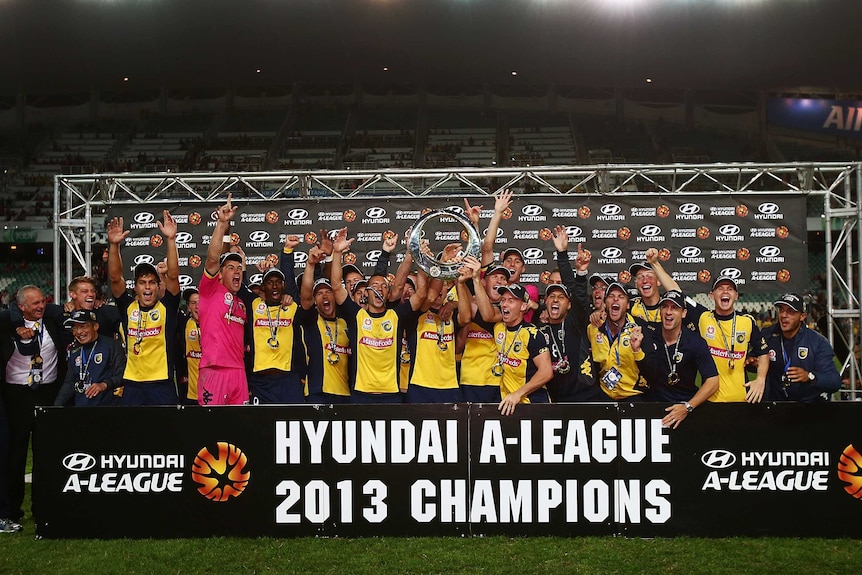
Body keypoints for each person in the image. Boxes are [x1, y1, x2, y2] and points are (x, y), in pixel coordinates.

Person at [645, 249, 769, 404]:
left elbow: (764, 352)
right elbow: (676, 292)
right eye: (720, 289)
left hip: (742, 399)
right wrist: (655, 263)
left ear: (736, 296)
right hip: (709, 400)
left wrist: (761, 379)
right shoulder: (703, 317)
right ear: (712, 295)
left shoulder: (747, 321)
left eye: (730, 289)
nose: (725, 292)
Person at [330, 228, 427, 403]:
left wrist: (417, 255)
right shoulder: (356, 315)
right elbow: (336, 286)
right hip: (361, 394)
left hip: (392, 395)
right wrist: (337, 252)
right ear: (366, 293)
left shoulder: (396, 316)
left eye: (383, 286)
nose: (379, 289)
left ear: (389, 293)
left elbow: (420, 295)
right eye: (374, 285)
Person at [1, 285, 65, 525]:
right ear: (21, 307)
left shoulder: (52, 319)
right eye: (35, 303)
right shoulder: (7, 325)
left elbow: (65, 309)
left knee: (46, 454)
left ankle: (45, 509)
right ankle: (10, 511)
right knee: (15, 456)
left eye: (42, 301)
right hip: (16, 396)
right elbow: (5, 312)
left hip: (47, 393)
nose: (41, 306)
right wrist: (18, 324)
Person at [107, 211, 180, 405]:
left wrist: (171, 240)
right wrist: (114, 245)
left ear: (158, 286)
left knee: (166, 435)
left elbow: (172, 276)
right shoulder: (127, 307)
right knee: (133, 435)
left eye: (151, 282)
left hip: (162, 384)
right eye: (142, 282)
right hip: (132, 384)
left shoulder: (167, 308)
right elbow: (115, 278)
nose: (147, 287)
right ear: (135, 287)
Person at [635, 290, 719, 428]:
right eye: (665, 307)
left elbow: (713, 381)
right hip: (652, 407)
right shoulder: (649, 333)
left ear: (684, 313)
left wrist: (687, 407)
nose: (668, 312)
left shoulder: (694, 341)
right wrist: (599, 313)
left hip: (684, 408)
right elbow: (621, 316)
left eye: (674, 308)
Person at [197, 193, 248, 405]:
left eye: (239, 268)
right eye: (230, 268)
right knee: (210, 430)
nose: (236, 271)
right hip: (213, 370)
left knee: (240, 431)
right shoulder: (210, 290)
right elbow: (212, 258)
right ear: (220, 274)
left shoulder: (242, 301)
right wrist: (221, 224)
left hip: (238, 372)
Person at [543, 225, 604, 402]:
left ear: (569, 305)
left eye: (561, 297)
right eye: (551, 296)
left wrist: (567, 259)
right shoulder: (539, 331)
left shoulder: (575, 322)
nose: (555, 300)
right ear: (545, 301)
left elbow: (577, 295)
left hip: (587, 398)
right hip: (556, 401)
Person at [486, 283, 553, 415]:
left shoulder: (532, 334)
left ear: (523, 306)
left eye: (511, 301)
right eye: (503, 300)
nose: (505, 304)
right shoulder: (498, 328)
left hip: (533, 404)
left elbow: (546, 372)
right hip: (509, 404)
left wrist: (517, 394)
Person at [763, 293, 842, 403]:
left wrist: (809, 376)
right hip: (776, 409)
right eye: (781, 310)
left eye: (790, 311)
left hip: (809, 409)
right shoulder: (767, 335)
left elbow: (834, 382)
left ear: (802, 316)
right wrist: (753, 362)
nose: (783, 315)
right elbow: (753, 360)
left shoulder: (817, 342)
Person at [299, 247, 351, 403]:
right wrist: (310, 264)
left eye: (328, 292)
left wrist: (334, 255)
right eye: (319, 293)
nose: (324, 296)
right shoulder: (311, 321)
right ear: (315, 300)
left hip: (345, 393)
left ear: (335, 297)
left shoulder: (347, 322)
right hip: (317, 393)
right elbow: (306, 297)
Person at [455, 260, 510, 402]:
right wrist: (458, 278)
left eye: (503, 278)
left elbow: (487, 315)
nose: (499, 280)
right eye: (495, 277)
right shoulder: (472, 304)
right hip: (469, 378)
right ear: (485, 282)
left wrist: (475, 279)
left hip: (497, 380)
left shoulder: (506, 309)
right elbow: (459, 345)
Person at [587, 282, 651, 401]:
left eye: (621, 297)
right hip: (603, 394)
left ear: (627, 305)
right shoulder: (593, 327)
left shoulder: (639, 329)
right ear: (605, 303)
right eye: (611, 296)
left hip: (633, 396)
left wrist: (637, 351)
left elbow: (652, 371)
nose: (615, 299)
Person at [54, 310, 125, 407]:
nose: (78, 332)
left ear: (95, 326)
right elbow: (69, 383)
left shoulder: (112, 346)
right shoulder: (73, 350)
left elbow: (123, 375)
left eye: (83, 326)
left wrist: (104, 385)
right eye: (74, 328)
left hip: (108, 409)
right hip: (81, 410)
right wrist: (56, 406)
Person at [176, 288, 201, 406]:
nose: (197, 306)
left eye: (200, 302)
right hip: (191, 391)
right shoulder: (184, 323)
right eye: (193, 303)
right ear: (188, 307)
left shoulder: (216, 322)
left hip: (214, 387)